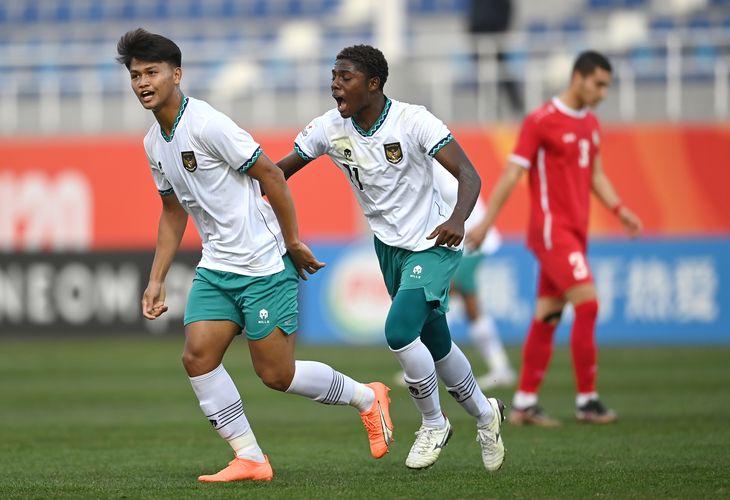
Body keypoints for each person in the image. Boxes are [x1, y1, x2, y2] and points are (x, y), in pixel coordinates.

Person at [117, 29, 393, 483]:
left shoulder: (207, 124)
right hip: (217, 267)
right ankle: (250, 457)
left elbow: (272, 176)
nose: (143, 82)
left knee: (276, 376)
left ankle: (367, 397)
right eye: (135, 75)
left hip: (263, 264)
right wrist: (156, 278)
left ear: (176, 74)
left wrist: (292, 241)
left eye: (152, 72)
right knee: (197, 357)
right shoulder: (153, 143)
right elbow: (171, 211)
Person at [276, 44, 505, 471]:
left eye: (345, 77)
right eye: (333, 76)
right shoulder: (329, 128)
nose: (335, 85)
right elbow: (279, 171)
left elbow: (469, 175)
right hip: (389, 248)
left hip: (433, 241)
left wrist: (457, 219)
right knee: (436, 342)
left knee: (399, 331)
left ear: (373, 83)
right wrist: (239, 179)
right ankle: (486, 414)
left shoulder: (413, 120)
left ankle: (434, 423)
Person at [467, 51, 642, 427]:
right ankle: (587, 400)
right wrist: (484, 223)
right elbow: (513, 173)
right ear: (577, 78)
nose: (602, 92)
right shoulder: (541, 121)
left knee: (547, 316)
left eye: (607, 85)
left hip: (576, 234)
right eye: (599, 83)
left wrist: (619, 208)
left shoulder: (591, 124)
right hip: (551, 232)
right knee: (589, 306)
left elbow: (595, 173)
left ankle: (525, 404)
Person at [432, 164, 516, 389]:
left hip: (471, 238)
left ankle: (428, 364)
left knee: (443, 294)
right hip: (461, 240)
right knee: (464, 304)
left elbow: (452, 192)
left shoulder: (433, 157)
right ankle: (500, 366)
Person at [467, 0, 524, 116]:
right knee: (480, 76)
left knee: (503, 74)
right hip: (478, 38)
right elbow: (473, 14)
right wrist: (472, 32)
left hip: (496, 37)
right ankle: (486, 108)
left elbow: (507, 10)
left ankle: (516, 106)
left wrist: (503, 31)